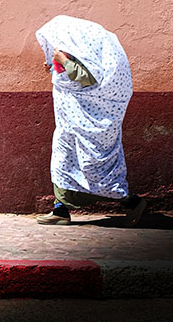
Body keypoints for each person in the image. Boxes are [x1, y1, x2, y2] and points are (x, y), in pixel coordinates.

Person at [34, 15, 147, 227]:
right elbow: (70, 78)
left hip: (87, 121)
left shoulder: (81, 52)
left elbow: (87, 79)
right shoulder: (72, 50)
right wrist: (54, 67)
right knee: (62, 160)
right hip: (69, 122)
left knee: (93, 163)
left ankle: (131, 202)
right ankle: (61, 210)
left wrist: (62, 60)